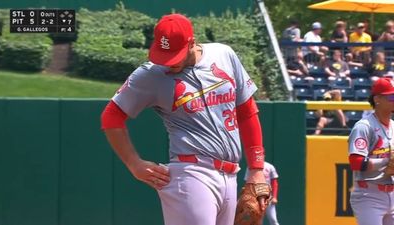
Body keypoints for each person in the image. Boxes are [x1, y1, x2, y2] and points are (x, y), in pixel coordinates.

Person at [100, 13, 270, 225]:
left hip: (230, 174)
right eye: (164, 54)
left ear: (192, 42)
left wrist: (256, 168)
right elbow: (111, 117)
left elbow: (246, 111)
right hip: (191, 173)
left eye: (174, 54)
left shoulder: (224, 55)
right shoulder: (151, 74)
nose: (168, 62)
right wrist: (133, 163)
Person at [348, 77, 394, 225]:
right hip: (369, 194)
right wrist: (386, 161)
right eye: (391, 96)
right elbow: (356, 163)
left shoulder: (393, 125)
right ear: (377, 99)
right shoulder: (364, 126)